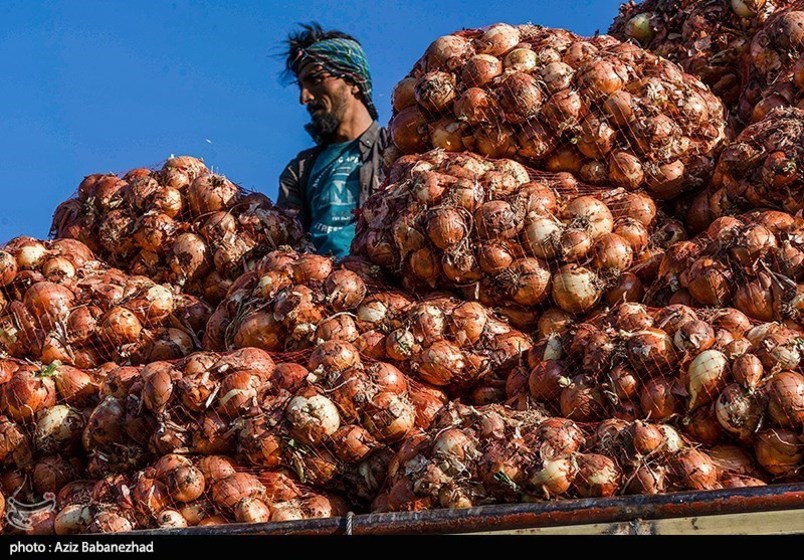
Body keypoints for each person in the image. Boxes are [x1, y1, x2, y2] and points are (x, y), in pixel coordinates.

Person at [278, 23, 388, 259]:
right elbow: (284, 243)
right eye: (301, 86)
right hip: (320, 289)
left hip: (382, 288)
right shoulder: (299, 170)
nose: (304, 97)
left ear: (353, 81)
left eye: (315, 79)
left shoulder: (394, 149)